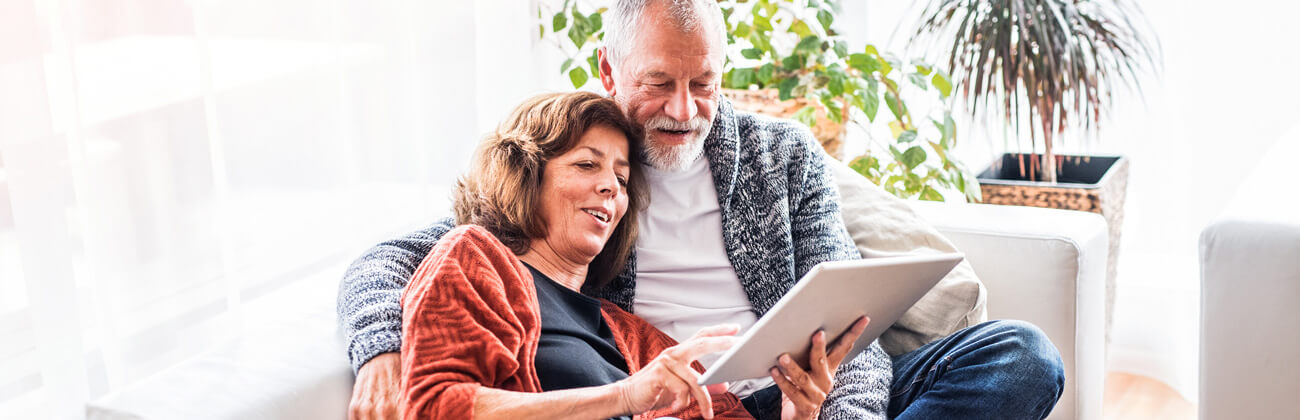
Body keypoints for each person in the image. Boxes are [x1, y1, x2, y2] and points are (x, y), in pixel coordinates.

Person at [340, 1, 1065, 419]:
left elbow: (854, 329)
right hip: (687, 404)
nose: (684, 112)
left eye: (704, 84)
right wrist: (380, 349)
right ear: (609, 71)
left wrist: (828, 415)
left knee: (1020, 357)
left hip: (804, 393)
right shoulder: (576, 165)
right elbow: (406, 257)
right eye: (658, 83)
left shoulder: (784, 156)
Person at [398, 91, 865, 420]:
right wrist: (625, 396)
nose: (610, 187)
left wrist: (799, 415)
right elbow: (434, 406)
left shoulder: (631, 334)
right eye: (586, 164)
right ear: (523, 174)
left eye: (622, 180)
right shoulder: (475, 260)